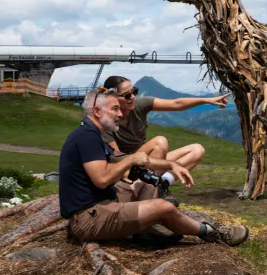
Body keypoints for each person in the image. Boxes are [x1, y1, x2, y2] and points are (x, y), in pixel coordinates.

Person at [57, 87, 248, 246]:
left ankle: (147, 225)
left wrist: (171, 165)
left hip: (103, 204)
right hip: (89, 218)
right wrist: (130, 160)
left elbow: (129, 162)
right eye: (115, 109)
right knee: (163, 208)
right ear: (97, 112)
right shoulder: (87, 137)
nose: (120, 113)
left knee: (144, 181)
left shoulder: (91, 134)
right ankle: (212, 233)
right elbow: (102, 180)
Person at [99, 75, 230, 203]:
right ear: (113, 98)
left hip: (146, 161)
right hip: (127, 169)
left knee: (197, 150)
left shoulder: (139, 105)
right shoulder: (106, 122)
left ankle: (162, 184)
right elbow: (117, 159)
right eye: (127, 95)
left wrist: (206, 100)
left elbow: (177, 104)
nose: (133, 97)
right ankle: (148, 200)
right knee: (159, 142)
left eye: (134, 91)